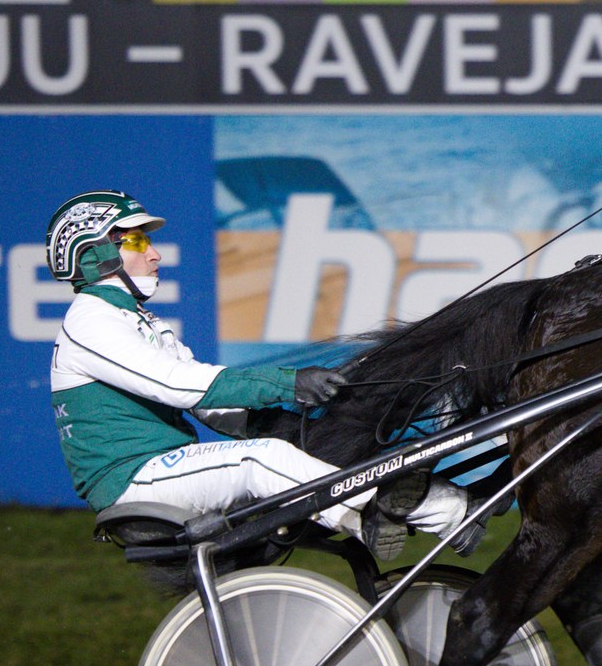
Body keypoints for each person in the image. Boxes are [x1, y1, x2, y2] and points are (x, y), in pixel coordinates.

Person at [44, 189, 478, 558]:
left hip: (157, 470)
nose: (155, 254)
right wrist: (288, 383)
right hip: (132, 481)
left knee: (286, 447)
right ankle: (379, 509)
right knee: (259, 459)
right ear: (96, 253)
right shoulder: (91, 320)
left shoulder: (140, 321)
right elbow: (180, 386)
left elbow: (205, 403)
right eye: (137, 241)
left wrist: (288, 426)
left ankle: (453, 510)